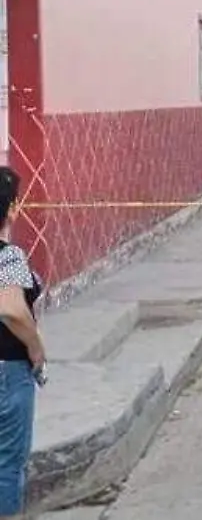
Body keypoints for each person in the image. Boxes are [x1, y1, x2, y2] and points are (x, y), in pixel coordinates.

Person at [0, 167, 45, 518]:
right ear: (13, 208)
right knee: (6, 464)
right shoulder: (9, 256)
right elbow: (11, 309)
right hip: (7, 370)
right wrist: (35, 346)